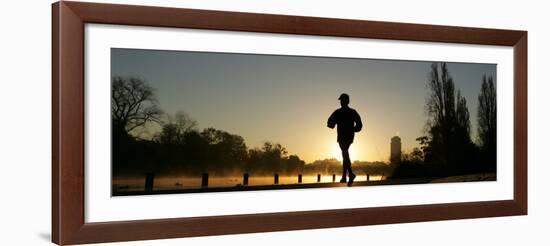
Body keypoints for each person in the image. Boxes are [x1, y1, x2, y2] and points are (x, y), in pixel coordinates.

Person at [327, 93, 363, 186]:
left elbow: (359, 125)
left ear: (347, 101)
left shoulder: (340, 112)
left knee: (344, 153)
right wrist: (353, 129)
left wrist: (352, 129)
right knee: (345, 154)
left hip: (344, 137)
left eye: (342, 100)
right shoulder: (346, 112)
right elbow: (330, 123)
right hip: (347, 136)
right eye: (341, 100)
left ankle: (350, 174)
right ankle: (345, 176)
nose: (341, 102)